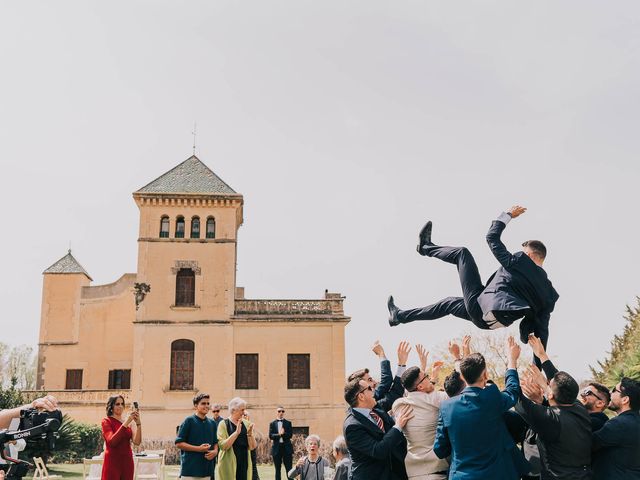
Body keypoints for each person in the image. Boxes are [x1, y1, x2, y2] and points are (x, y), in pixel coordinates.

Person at [388, 206, 559, 367]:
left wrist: (508, 215)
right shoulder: (548, 293)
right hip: (490, 318)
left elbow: (491, 238)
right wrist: (539, 365)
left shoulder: (521, 261)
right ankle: (399, 316)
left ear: (528, 254)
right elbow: (543, 331)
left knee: (462, 254)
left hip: (482, 308)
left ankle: (425, 247)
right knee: (448, 304)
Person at [433, 337, 522, 480]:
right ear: (485, 375)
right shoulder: (492, 397)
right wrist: (512, 361)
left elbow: (439, 449)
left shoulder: (447, 407)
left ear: (461, 376)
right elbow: (512, 392)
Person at [516, 370, 592, 479]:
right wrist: (543, 395)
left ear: (551, 394)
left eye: (548, 385)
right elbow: (564, 388)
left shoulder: (551, 419)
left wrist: (512, 361)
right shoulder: (580, 409)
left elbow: (517, 398)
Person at [528, 334, 610, 431]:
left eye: (588, 393)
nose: (582, 395)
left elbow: (563, 418)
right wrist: (542, 355)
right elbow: (561, 385)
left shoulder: (598, 423)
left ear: (600, 403)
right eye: (583, 391)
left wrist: (545, 388)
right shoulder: (579, 411)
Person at [391, 345, 449, 480]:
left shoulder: (399, 405)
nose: (430, 378)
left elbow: (412, 390)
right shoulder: (438, 398)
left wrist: (424, 369)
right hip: (437, 469)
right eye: (426, 376)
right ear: (421, 386)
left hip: (413, 471)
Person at [343, 377, 413, 480]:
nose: (374, 390)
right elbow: (378, 450)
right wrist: (398, 426)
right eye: (369, 388)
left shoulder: (377, 411)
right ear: (361, 396)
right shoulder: (352, 426)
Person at [592, 377, 640, 479]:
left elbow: (586, 444)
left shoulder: (620, 424)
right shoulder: (635, 422)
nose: (610, 392)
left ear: (625, 399)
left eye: (614, 390)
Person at [348, 341, 411, 412]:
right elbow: (387, 382)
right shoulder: (372, 408)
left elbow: (391, 389)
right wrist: (381, 354)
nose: (375, 382)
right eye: (369, 380)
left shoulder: (370, 405)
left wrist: (401, 364)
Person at [176, 393, 219, 480]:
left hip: (207, 470)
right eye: (203, 403)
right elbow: (179, 443)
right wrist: (199, 449)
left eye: (208, 403)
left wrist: (215, 451)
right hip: (190, 470)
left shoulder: (212, 423)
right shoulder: (188, 421)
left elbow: (215, 442)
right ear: (196, 405)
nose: (206, 406)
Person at [101, 395, 142, 480]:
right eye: (117, 404)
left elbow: (137, 442)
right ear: (111, 407)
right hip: (112, 462)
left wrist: (138, 424)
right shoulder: (106, 421)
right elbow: (112, 441)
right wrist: (127, 422)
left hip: (127, 462)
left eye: (122, 404)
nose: (120, 406)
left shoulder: (127, 422)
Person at [216, 397, 257, 480]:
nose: (244, 412)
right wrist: (236, 433)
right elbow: (223, 446)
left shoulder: (246, 423)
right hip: (228, 465)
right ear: (233, 410)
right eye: (242, 410)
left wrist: (250, 435)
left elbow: (252, 447)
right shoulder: (223, 424)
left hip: (244, 464)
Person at [269, 406, 293, 480]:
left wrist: (283, 434)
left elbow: (290, 435)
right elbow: (271, 436)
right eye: (279, 411)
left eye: (283, 411)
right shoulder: (272, 423)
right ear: (276, 412)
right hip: (276, 449)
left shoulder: (288, 423)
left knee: (289, 468)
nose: (281, 413)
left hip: (287, 448)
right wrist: (279, 434)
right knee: (277, 469)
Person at [242, 411, 260, 480]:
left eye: (245, 415)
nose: (244, 416)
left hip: (251, 452)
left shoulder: (251, 427)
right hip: (243, 454)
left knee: (253, 471)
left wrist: (250, 433)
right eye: (243, 415)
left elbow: (254, 446)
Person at [210, 404, 225, 480]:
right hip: (212, 446)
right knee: (211, 465)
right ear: (212, 411)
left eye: (217, 411)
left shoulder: (223, 421)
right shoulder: (209, 421)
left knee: (221, 464)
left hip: (220, 445)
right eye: (214, 411)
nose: (216, 413)